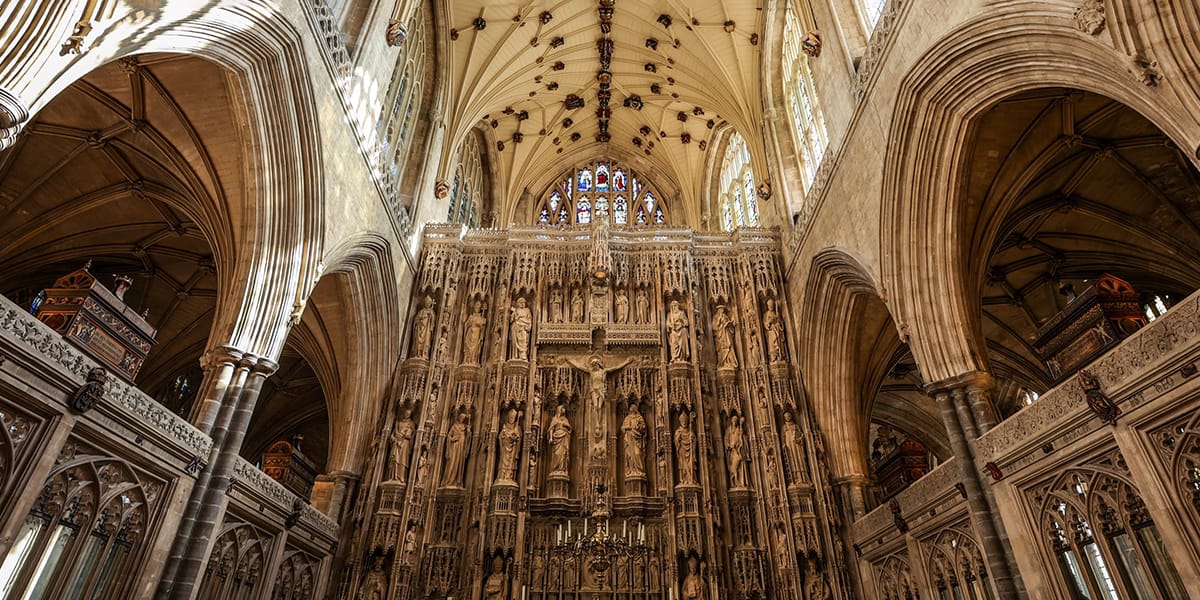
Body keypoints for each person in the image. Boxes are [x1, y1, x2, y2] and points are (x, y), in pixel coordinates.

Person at [441, 412, 471, 486]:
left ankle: (457, 481)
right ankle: (448, 481)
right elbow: (448, 436)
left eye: (463, 419)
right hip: (454, 446)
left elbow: (468, 436)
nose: (462, 419)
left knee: (459, 463)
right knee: (452, 462)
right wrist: (453, 439)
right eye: (461, 418)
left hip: (461, 447)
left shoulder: (465, 427)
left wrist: (469, 431)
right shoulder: (454, 426)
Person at [621, 402, 647, 478]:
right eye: (631, 407)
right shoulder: (627, 418)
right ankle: (631, 471)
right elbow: (622, 428)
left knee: (637, 454)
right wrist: (628, 428)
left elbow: (644, 427)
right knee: (629, 456)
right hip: (629, 440)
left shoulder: (639, 418)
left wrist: (638, 427)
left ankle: (639, 471)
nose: (632, 408)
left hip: (637, 439)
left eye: (634, 406)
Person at [497, 408, 522, 482]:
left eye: (513, 417)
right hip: (505, 448)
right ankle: (502, 476)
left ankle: (509, 477)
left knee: (511, 463)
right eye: (511, 417)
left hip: (513, 450)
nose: (512, 419)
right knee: (502, 462)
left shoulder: (517, 427)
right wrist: (503, 436)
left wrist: (516, 437)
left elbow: (519, 438)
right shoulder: (505, 426)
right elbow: (500, 436)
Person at [547, 405, 572, 475]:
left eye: (564, 408)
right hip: (556, 437)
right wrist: (551, 438)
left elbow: (570, 429)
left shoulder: (565, 419)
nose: (564, 410)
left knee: (564, 453)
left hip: (564, 437)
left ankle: (562, 469)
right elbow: (551, 429)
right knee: (556, 454)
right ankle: (555, 469)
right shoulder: (555, 419)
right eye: (563, 408)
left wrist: (566, 426)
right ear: (559, 410)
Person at [674, 412, 697, 485]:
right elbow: (676, 441)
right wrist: (678, 438)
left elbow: (694, 440)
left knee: (691, 465)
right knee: (683, 466)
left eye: (685, 421)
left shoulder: (690, 431)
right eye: (682, 421)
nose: (684, 422)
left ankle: (691, 479)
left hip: (690, 452)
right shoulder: (678, 431)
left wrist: (692, 438)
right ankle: (683, 480)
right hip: (682, 451)